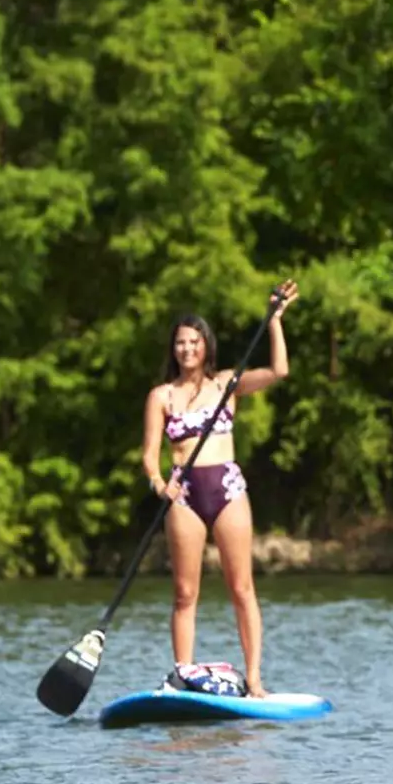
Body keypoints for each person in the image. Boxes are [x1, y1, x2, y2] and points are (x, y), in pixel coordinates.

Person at [140, 282, 298, 697]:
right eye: (180, 343)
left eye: (193, 342)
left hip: (227, 488)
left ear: (205, 346)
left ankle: (255, 680)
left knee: (241, 587)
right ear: (172, 349)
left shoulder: (228, 384)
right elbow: (148, 455)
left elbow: (280, 372)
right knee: (184, 593)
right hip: (184, 494)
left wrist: (275, 321)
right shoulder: (161, 395)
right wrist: (159, 483)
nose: (186, 349)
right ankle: (183, 676)